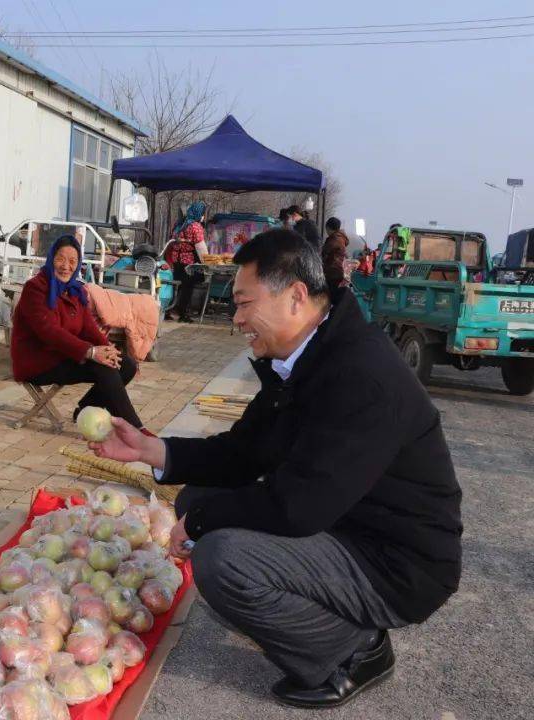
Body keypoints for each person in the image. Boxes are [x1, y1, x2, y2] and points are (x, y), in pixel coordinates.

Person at [89, 228, 462, 709]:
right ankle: (319, 617)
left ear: (296, 296)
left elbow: (299, 506)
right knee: (195, 499)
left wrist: (201, 525)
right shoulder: (309, 357)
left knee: (222, 558)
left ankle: (355, 651)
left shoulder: (360, 373)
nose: (237, 318)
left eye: (244, 303)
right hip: (347, 521)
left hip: (396, 561)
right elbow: (245, 452)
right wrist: (151, 450)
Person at [11, 235, 143, 428]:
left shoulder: (74, 291)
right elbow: (49, 331)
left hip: (63, 354)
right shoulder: (36, 288)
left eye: (72, 261)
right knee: (102, 367)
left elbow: (89, 327)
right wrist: (92, 352)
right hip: (38, 360)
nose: (66, 266)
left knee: (126, 364)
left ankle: (84, 408)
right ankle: (135, 428)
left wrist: (108, 349)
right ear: (51, 259)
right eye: (60, 259)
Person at [163, 200, 209, 322]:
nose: (203, 216)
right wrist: (207, 262)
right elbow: (200, 247)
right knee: (187, 287)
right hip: (188, 261)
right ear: (199, 213)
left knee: (176, 286)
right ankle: (181, 313)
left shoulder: (179, 224)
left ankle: (168, 309)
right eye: (203, 213)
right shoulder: (195, 226)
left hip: (176, 259)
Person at [322, 222, 350, 291]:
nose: (327, 232)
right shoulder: (340, 238)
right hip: (337, 270)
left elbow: (325, 251)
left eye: (327, 229)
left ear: (329, 228)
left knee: (330, 293)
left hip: (333, 270)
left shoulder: (335, 239)